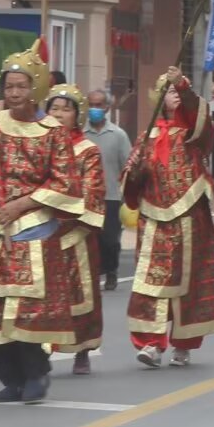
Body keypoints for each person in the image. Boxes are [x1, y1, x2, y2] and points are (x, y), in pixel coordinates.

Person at [0, 46, 96, 404]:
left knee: (29, 309)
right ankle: (11, 379)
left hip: (34, 227)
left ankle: (36, 373)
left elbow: (66, 185)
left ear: (35, 88)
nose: (14, 93)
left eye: (21, 86)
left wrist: (21, 204)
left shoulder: (53, 132)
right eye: (9, 86)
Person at [124, 70, 214, 368]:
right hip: (154, 217)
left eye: (180, 90)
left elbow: (201, 121)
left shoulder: (195, 133)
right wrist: (136, 172)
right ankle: (151, 343)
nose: (176, 94)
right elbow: (130, 178)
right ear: (158, 98)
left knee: (190, 281)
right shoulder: (146, 137)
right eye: (168, 90)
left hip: (191, 214)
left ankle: (185, 343)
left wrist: (182, 83)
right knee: (151, 281)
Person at [45, 85, 107, 375]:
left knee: (81, 294)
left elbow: (92, 190)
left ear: (77, 115)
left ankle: (82, 349)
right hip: (41, 231)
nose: (58, 114)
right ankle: (39, 350)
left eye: (65, 109)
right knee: (43, 297)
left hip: (76, 232)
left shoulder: (87, 150)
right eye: (53, 108)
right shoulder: (36, 145)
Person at [82, 87, 132, 294]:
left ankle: (111, 270)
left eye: (98, 105)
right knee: (89, 239)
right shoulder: (81, 133)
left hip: (111, 196)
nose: (94, 109)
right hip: (84, 198)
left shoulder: (118, 135)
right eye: (91, 105)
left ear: (107, 108)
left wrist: (128, 194)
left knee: (110, 240)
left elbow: (127, 165)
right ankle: (92, 274)